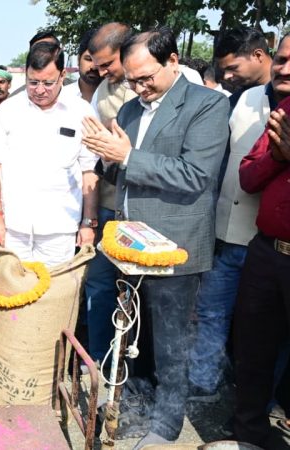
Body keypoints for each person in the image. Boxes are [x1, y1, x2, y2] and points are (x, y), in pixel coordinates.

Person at [82, 27, 229, 449]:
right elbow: (119, 167)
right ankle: (133, 407)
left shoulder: (207, 105)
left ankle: (167, 426)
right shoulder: (129, 109)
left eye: (147, 77)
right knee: (132, 337)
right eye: (132, 79)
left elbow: (195, 176)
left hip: (174, 245)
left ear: (173, 60)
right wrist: (102, 155)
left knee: (171, 343)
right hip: (129, 245)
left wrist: (126, 155)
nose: (140, 87)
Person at [187, 34, 290, 405]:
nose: (284, 68)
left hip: (271, 243)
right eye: (282, 60)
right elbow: (236, 170)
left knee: (270, 333)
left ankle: (266, 403)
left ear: (257, 55)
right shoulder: (243, 101)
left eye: (234, 67)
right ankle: (203, 386)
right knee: (213, 313)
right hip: (229, 233)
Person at [0, 41, 98, 266]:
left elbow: (89, 171)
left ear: (62, 75)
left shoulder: (81, 111)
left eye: (48, 83)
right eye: (32, 82)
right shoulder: (8, 111)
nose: (39, 90)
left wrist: (88, 222)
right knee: (8, 292)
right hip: (12, 226)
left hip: (60, 228)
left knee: (53, 294)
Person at [231, 33, 290, 448]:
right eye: (282, 59)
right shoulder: (282, 113)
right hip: (267, 253)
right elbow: (248, 177)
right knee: (252, 349)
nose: (283, 68)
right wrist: (280, 156)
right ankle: (249, 431)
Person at [83, 21, 137, 362]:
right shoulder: (104, 90)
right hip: (108, 204)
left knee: (139, 291)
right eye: (96, 63)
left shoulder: (169, 84)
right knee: (100, 284)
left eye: (108, 63)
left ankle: (132, 361)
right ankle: (98, 356)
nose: (101, 71)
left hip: (147, 208)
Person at [214, 27, 272, 94]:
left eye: (233, 68)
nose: (226, 76)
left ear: (258, 55)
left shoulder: (284, 95)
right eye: (223, 71)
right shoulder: (236, 100)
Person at [62, 28, 102, 103]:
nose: (93, 67)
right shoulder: (63, 97)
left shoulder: (116, 98)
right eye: (89, 59)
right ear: (78, 59)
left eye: (99, 60)